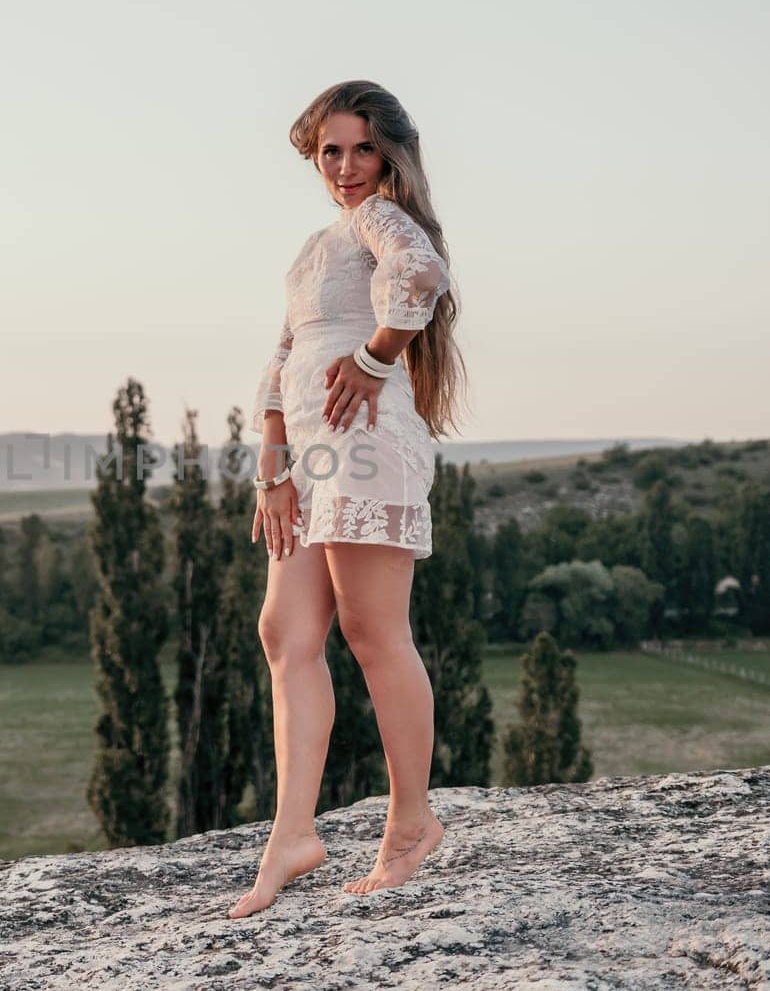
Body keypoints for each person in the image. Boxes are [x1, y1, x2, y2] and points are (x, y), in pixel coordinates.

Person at [227, 80, 468, 920]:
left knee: (372, 632)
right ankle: (293, 834)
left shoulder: (383, 221)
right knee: (285, 631)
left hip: (367, 445)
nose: (345, 166)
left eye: (362, 147)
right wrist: (272, 459)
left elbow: (420, 273)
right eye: (330, 150)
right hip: (311, 455)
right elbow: (286, 349)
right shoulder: (321, 240)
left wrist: (373, 358)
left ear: (390, 153)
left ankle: (411, 822)